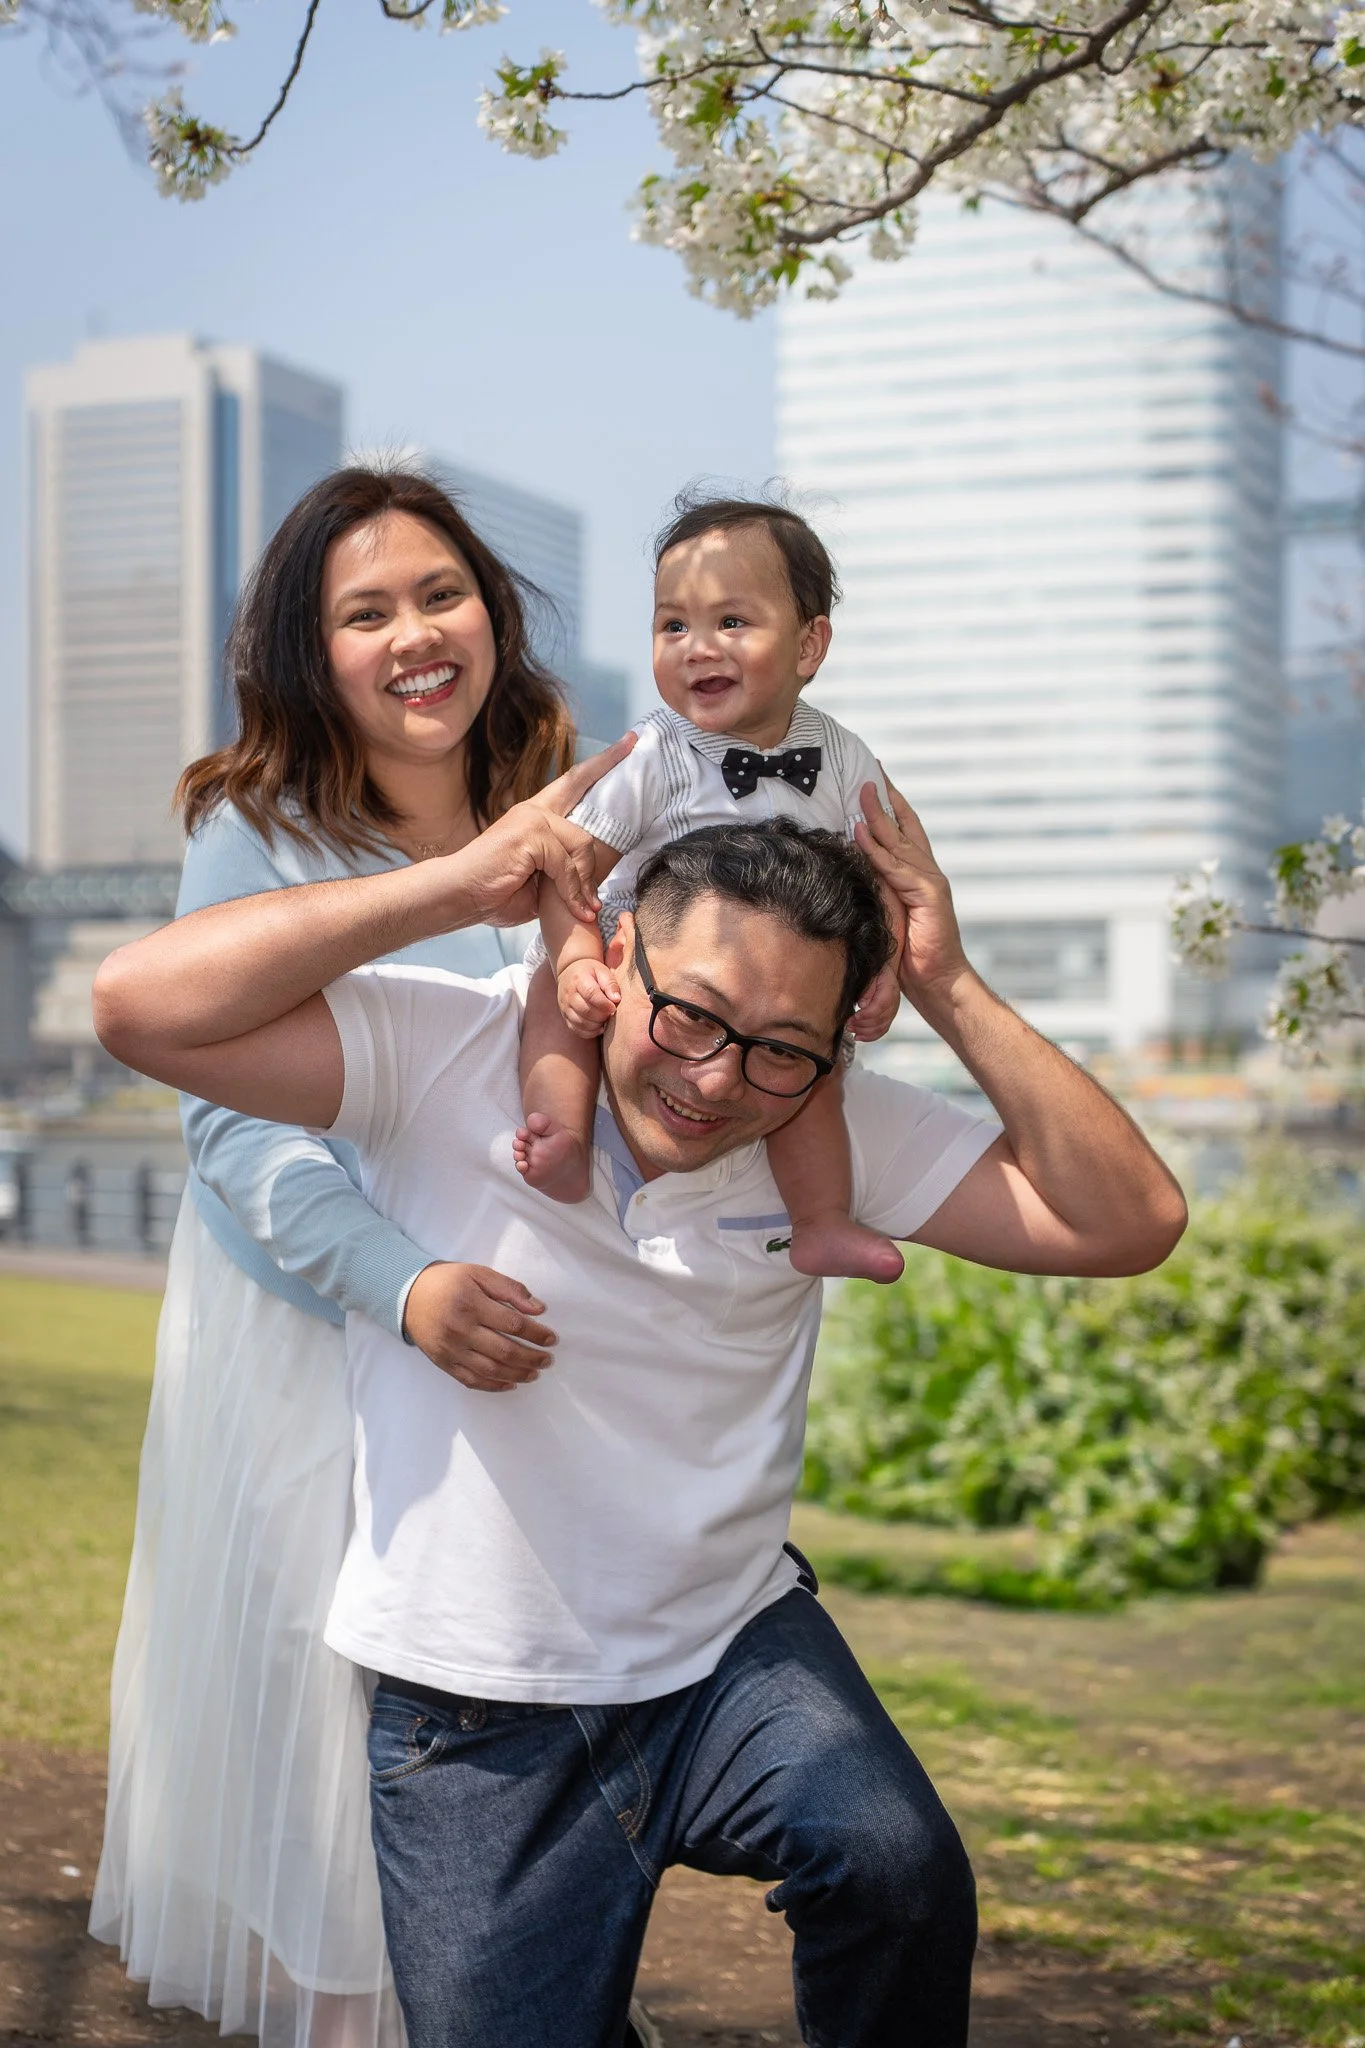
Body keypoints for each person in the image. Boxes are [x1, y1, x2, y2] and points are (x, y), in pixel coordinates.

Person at [92, 783, 1188, 2048]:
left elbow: (1131, 1221)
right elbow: (138, 1005)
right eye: (692, 1014)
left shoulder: (828, 1134)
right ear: (614, 955)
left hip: (730, 1652)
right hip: (474, 1710)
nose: (717, 1079)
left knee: (898, 1865)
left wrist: (947, 981)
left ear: (835, 1050)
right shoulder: (451, 1048)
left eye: (782, 1046)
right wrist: (456, 884)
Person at [88, 464, 626, 2048]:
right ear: (306, 652)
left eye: (440, 594)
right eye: (365, 612)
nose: (415, 636)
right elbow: (231, 1130)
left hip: (515, 1353)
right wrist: (401, 1285)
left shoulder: (574, 800)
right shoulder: (257, 832)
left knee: (497, 1759)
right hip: (321, 1346)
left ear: (493, 610)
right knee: (333, 1779)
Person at [516, 493, 909, 1286]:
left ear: (809, 644)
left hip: (770, 993)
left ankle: (820, 1219)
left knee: (813, 1075)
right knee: (553, 1016)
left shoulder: (842, 756)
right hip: (635, 962)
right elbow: (566, 868)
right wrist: (573, 962)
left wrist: (888, 968)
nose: (698, 648)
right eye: (673, 626)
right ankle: (557, 1135)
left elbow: (896, 872)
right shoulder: (657, 752)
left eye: (731, 622)